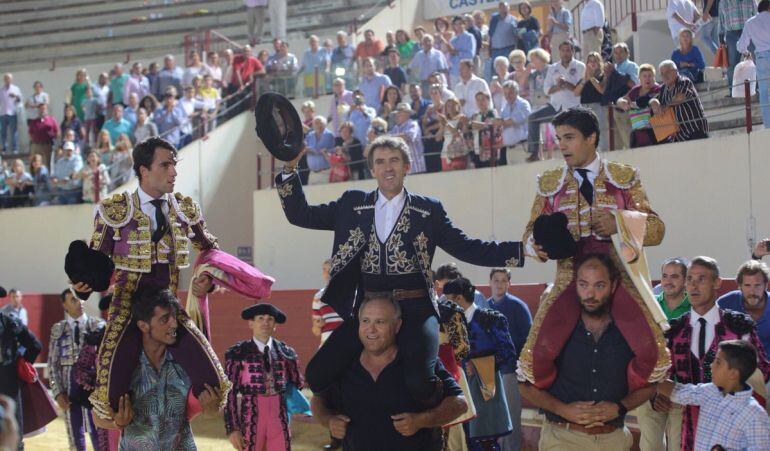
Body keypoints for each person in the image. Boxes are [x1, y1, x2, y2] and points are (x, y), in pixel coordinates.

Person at [275, 134, 524, 407]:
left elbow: (468, 247)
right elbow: (302, 215)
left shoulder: (427, 210)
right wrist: (289, 170)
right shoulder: (352, 203)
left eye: (394, 160)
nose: (388, 167)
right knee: (317, 373)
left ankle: (442, 403)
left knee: (419, 382)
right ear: (372, 169)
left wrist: (521, 251)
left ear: (408, 165)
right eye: (380, 162)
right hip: (368, 310)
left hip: (415, 309)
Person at [517, 107, 670, 399]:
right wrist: (538, 246)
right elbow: (529, 235)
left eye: (569, 137)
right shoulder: (550, 185)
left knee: (654, 354)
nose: (561, 145)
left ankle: (621, 392)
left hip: (617, 278)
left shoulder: (623, 178)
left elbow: (657, 229)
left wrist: (619, 224)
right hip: (571, 277)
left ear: (591, 138)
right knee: (534, 361)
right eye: (559, 137)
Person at [77, 137, 227, 421]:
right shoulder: (115, 210)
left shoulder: (185, 209)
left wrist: (208, 280)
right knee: (108, 400)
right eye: (166, 164)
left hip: (170, 309)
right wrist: (81, 286)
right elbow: (95, 265)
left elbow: (211, 251)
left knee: (215, 383)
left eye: (174, 164)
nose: (174, 172)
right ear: (143, 170)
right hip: (126, 310)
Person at [520, 254, 657, 451]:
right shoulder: (556, 330)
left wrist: (620, 407)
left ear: (613, 285)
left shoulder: (630, 332)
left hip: (614, 439)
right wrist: (562, 410)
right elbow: (524, 385)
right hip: (563, 437)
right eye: (584, 285)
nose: (590, 294)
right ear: (575, 285)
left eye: (599, 285)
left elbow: (651, 385)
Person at [310, 293, 468, 451]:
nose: (371, 329)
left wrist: (421, 421)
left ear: (397, 325)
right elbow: (318, 399)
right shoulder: (345, 364)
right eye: (365, 321)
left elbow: (460, 402)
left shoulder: (416, 362)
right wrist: (328, 420)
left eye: (380, 322)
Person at [92, 289, 223, 448]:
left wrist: (211, 410)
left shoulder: (186, 362)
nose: (174, 324)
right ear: (143, 325)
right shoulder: (124, 365)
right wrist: (117, 422)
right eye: (164, 319)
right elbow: (97, 416)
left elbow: (201, 407)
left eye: (173, 316)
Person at [665, 256, 770, 450]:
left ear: (717, 283)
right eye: (689, 279)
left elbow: (762, 370)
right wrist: (658, 396)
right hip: (685, 425)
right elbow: (665, 374)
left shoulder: (740, 326)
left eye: (701, 279)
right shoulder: (675, 330)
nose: (694, 286)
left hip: (731, 425)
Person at [443, 278, 516, 450]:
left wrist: (477, 366)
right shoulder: (448, 324)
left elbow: (508, 354)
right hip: (457, 387)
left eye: (448, 299)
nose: (445, 305)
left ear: (459, 299)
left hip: (484, 386)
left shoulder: (490, 319)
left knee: (484, 442)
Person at [657, 340, 770, 450]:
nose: (711, 366)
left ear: (733, 373)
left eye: (718, 362)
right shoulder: (709, 391)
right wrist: (652, 375)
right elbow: (679, 392)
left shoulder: (755, 414)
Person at [225, 303, 302, 451]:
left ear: (275, 325)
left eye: (270, 319)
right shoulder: (238, 353)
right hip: (251, 416)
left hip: (279, 416)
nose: (265, 322)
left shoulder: (286, 353)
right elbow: (230, 394)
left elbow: (297, 383)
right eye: (260, 318)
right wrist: (232, 428)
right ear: (251, 323)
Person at [636, 257, 690, 451]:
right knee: (650, 447)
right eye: (665, 276)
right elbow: (639, 350)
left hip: (682, 389)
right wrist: (652, 390)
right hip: (650, 389)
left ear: (685, 280)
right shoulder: (648, 307)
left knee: (679, 447)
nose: (668, 281)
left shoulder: (694, 308)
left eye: (675, 276)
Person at [47, 288, 105, 451]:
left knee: (99, 433)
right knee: (75, 436)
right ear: (64, 305)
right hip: (68, 391)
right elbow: (52, 364)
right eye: (73, 300)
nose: (79, 302)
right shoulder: (58, 329)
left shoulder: (98, 325)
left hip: (93, 390)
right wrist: (58, 393)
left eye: (80, 299)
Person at [487, 267, 531, 451]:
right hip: (487, 372)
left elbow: (529, 339)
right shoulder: (484, 306)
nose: (499, 284)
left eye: (503, 280)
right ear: (490, 282)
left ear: (509, 283)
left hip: (509, 371)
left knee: (511, 418)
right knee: (491, 419)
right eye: (496, 280)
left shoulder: (518, 306)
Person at [527, 42, 585, 162]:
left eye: (568, 50)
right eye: (563, 50)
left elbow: (580, 88)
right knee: (533, 118)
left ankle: (579, 152)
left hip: (573, 107)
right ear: (559, 52)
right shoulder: (553, 68)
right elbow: (546, 90)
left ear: (572, 51)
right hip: (555, 106)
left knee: (572, 131)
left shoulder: (580, 66)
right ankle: (534, 152)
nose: (565, 53)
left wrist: (566, 84)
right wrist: (558, 86)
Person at [0, 309, 42, 449]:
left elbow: (36, 346)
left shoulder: (12, 323)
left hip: (8, 385)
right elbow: (35, 346)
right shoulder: (11, 322)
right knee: (13, 436)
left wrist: (19, 366)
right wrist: (17, 366)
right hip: (8, 384)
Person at [649, 60, 709, 143]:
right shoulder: (663, 88)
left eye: (667, 72)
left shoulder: (684, 81)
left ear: (676, 71)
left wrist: (664, 107)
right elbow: (654, 99)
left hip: (695, 130)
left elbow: (680, 97)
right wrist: (654, 102)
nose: (665, 76)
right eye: (662, 74)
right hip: (679, 136)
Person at [718, 260, 770, 353]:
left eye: (757, 285)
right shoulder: (725, 303)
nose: (752, 292)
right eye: (747, 285)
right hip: (735, 364)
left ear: (766, 285)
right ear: (739, 286)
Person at [738, 0, 770, 128]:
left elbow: (741, 46)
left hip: (762, 57)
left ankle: (768, 124)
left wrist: (746, 52)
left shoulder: (750, 22)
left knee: (763, 92)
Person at [615, 64, 662, 148]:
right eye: (644, 76)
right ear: (639, 78)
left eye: (650, 76)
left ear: (654, 77)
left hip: (654, 131)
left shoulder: (658, 89)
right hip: (637, 132)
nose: (647, 79)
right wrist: (621, 102)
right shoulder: (635, 90)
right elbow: (621, 100)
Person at [574, 52, 608, 151]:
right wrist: (585, 79)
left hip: (598, 106)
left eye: (595, 61)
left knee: (599, 131)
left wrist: (592, 78)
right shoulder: (583, 79)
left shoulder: (603, 77)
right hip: (584, 107)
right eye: (590, 61)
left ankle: (603, 151)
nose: (592, 63)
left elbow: (602, 90)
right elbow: (576, 92)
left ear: (599, 63)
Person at [720, 0, 756, 91]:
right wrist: (720, 38)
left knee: (755, 60)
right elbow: (721, 21)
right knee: (732, 64)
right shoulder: (723, 2)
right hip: (731, 34)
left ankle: (756, 88)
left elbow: (756, 15)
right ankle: (732, 91)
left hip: (749, 32)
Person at [389, 103, 426, 173]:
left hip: (415, 167)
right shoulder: (395, 128)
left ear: (408, 114)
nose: (397, 114)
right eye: (397, 113)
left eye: (400, 112)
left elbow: (408, 136)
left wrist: (389, 138)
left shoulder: (413, 124)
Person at [436, 97, 471, 171]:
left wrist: (446, 123)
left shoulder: (462, 118)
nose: (450, 108)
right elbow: (438, 138)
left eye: (453, 105)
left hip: (458, 153)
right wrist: (442, 126)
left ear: (458, 106)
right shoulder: (445, 121)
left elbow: (457, 134)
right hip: (445, 153)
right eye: (448, 106)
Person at [487, 2, 518, 81]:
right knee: (496, 70)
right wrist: (489, 49)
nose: (502, 9)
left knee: (508, 69)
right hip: (495, 49)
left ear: (508, 8)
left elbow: (516, 35)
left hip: (508, 48)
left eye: (504, 7)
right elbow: (490, 35)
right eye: (501, 7)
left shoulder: (513, 19)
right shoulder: (494, 20)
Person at [446, 16, 477, 87]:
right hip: (454, 72)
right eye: (456, 24)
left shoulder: (469, 37)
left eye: (460, 24)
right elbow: (450, 57)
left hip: (466, 71)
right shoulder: (452, 40)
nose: (458, 26)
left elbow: (470, 54)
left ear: (464, 24)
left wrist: (457, 52)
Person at [27, 104, 59, 169]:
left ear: (47, 110)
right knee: (35, 163)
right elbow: (30, 133)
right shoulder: (34, 121)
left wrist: (55, 143)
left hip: (47, 145)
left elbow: (57, 132)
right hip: (36, 145)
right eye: (40, 109)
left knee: (47, 164)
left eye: (44, 109)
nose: (42, 110)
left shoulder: (52, 120)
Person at [305, 116, 335, 185]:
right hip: (312, 173)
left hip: (325, 172)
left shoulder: (329, 135)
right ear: (313, 125)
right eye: (316, 123)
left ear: (325, 124)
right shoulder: (309, 136)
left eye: (320, 123)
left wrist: (311, 150)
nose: (318, 125)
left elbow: (322, 150)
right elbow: (304, 148)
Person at [0, 73, 22, 154]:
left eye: (8, 78)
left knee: (14, 132)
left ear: (11, 79)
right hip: (3, 113)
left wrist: (15, 96)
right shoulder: (1, 90)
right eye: (5, 78)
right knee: (3, 132)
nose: (7, 80)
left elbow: (20, 99)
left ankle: (14, 148)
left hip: (12, 113)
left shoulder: (16, 89)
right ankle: (4, 149)